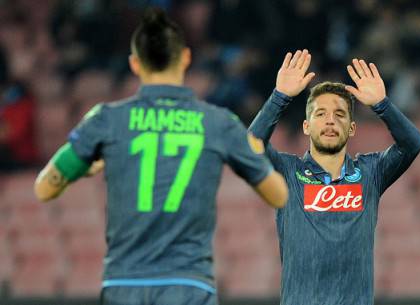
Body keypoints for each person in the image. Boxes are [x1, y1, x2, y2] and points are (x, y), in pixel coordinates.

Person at [34, 8, 288, 305]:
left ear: (134, 63)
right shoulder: (218, 122)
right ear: (185, 59)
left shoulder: (106, 120)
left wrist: (87, 169)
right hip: (188, 283)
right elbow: (277, 194)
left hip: (123, 283)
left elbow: (44, 188)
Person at [249, 49, 420, 305]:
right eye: (320, 114)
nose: (330, 121)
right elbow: (250, 146)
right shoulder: (289, 173)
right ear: (306, 126)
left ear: (352, 128)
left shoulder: (370, 172)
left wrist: (382, 105)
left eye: (340, 114)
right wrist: (280, 97)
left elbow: (412, 144)